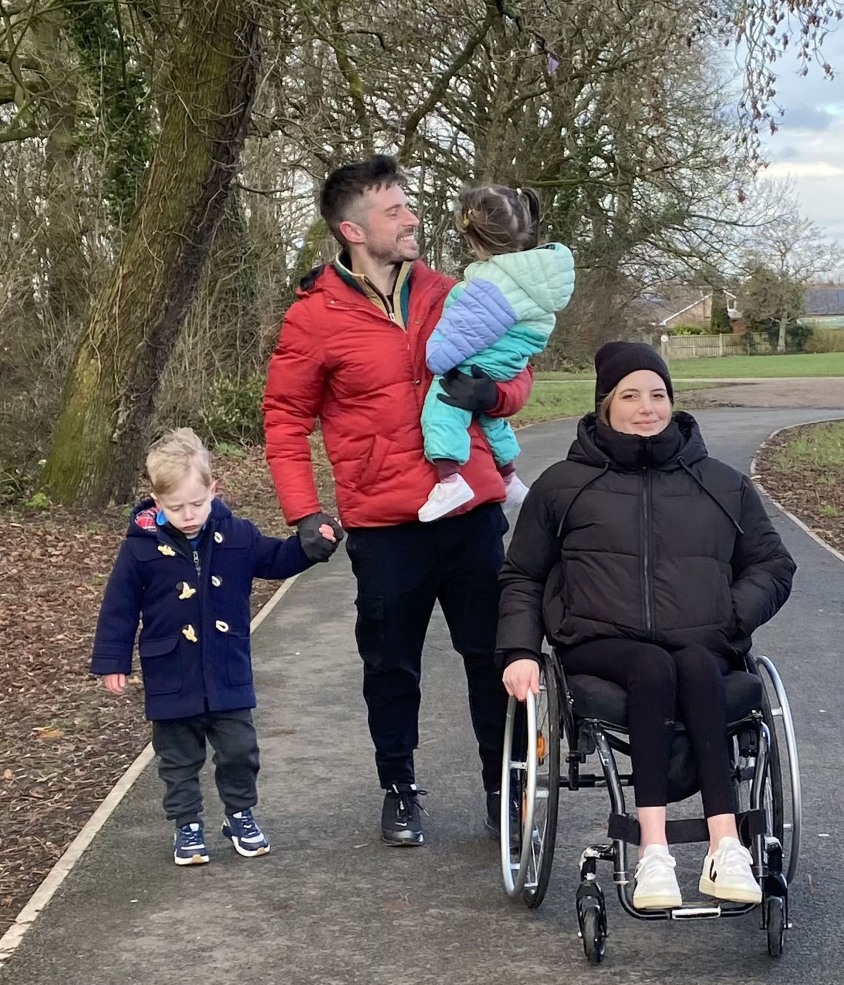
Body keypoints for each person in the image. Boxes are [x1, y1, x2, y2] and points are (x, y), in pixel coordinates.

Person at [263, 155, 533, 847]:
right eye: (394, 210)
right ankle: (399, 788)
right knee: (390, 665)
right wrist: (304, 511)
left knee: (492, 658)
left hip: (470, 511)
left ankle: (502, 793)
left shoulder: (451, 290)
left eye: (408, 205)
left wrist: (493, 397)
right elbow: (285, 419)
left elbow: (514, 371)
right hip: (386, 527)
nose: (411, 217)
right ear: (352, 229)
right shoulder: (312, 317)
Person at [496, 341, 796, 909]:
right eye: (630, 395)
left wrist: (732, 615)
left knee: (694, 663)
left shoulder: (721, 482)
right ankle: (653, 853)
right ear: (605, 405)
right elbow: (522, 576)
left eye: (657, 394)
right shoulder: (563, 485)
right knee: (655, 665)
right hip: (600, 645)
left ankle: (724, 846)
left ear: (672, 401)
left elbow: (772, 564)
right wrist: (518, 651)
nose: (646, 407)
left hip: (702, 642)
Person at [91, 428, 340, 866]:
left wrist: (312, 547)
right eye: (175, 507)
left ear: (213, 490)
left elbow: (277, 560)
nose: (188, 515)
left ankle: (240, 813)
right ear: (155, 500)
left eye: (197, 503)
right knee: (178, 758)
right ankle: (187, 824)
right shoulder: (139, 549)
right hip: (171, 673)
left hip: (228, 670)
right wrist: (113, 661)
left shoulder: (237, 535)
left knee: (240, 750)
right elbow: (119, 607)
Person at [417, 185, 575, 522]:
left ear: (477, 240)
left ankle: (449, 479)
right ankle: (509, 477)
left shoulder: (490, 283)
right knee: (489, 417)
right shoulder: (536, 274)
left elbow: (458, 337)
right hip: (512, 357)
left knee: (441, 407)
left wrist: (436, 357)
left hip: (483, 359)